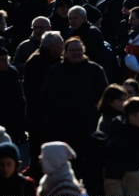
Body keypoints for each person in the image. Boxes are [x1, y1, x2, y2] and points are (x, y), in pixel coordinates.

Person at [41, 37, 107, 175]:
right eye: (72, 50)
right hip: (62, 127)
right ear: (64, 52)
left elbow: (105, 96)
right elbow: (45, 97)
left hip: (89, 126)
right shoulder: (55, 71)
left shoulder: (95, 70)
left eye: (79, 50)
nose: (76, 53)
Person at [23, 31, 64, 180]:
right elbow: (37, 93)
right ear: (52, 47)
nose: (63, 46)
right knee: (39, 154)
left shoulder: (48, 58)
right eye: (61, 43)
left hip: (42, 117)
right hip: (40, 118)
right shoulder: (38, 62)